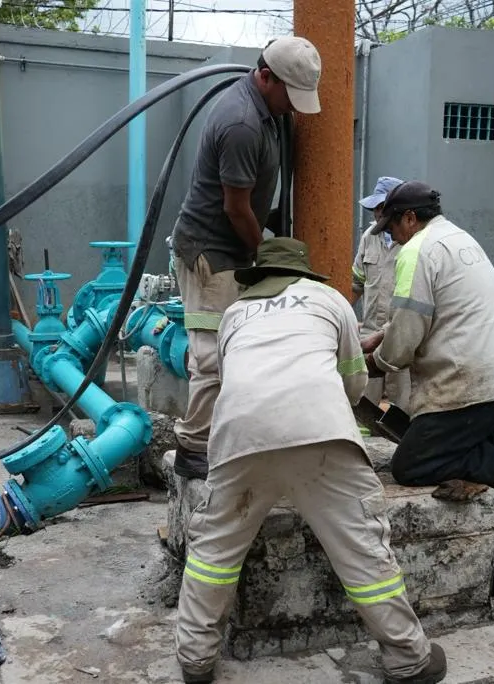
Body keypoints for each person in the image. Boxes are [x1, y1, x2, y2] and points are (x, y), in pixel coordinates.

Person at [175, 238, 446, 684]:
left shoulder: (235, 313)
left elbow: (229, 379)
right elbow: (355, 383)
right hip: (321, 433)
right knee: (361, 548)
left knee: (214, 549)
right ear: (304, 274)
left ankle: (195, 659)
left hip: (240, 436)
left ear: (259, 276)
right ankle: (408, 659)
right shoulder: (330, 300)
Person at [361, 181, 494, 599]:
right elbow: (435, 310)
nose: (390, 236)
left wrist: (372, 362)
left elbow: (406, 334)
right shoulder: (458, 239)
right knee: (470, 469)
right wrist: (380, 336)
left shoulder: (417, 251)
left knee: (412, 466)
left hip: (472, 390)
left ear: (409, 218)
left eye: (392, 226)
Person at [169, 36, 323, 480]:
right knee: (212, 355)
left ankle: (222, 433)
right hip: (211, 254)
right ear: (266, 75)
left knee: (230, 351)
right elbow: (235, 207)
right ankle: (193, 448)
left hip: (231, 248)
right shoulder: (242, 123)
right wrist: (265, 255)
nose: (293, 107)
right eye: (289, 96)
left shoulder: (268, 111)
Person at [352, 175, 410, 408]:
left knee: (403, 399)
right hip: (369, 330)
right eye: (374, 208)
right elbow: (357, 282)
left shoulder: (410, 241)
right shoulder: (369, 237)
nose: (377, 213)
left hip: (399, 331)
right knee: (363, 398)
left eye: (381, 207)